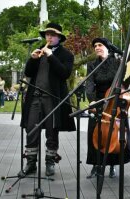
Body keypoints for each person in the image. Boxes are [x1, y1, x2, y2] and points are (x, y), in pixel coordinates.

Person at [19, 22, 76, 177]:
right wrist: (32, 59)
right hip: (35, 98)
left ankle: (50, 162)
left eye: (53, 35)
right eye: (47, 34)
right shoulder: (39, 52)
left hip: (52, 99)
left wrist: (51, 56)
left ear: (59, 38)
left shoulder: (66, 55)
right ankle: (30, 163)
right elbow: (28, 73)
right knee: (31, 129)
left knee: (52, 131)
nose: (49, 37)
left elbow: (65, 73)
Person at [85, 37, 130, 179]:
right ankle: (96, 165)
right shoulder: (93, 64)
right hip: (99, 101)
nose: (97, 47)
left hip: (115, 101)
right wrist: (92, 100)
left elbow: (125, 79)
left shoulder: (117, 62)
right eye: (95, 46)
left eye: (100, 45)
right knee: (96, 133)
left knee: (115, 134)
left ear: (107, 47)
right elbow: (89, 83)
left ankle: (113, 165)